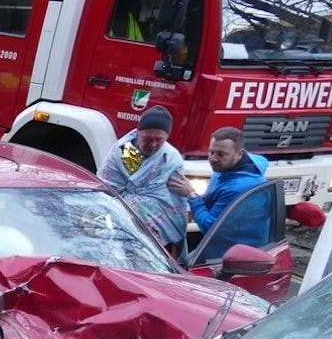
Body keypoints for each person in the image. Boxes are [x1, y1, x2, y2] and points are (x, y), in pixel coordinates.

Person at [97, 105, 190, 254]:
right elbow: (107, 187)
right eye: (147, 139)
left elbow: (171, 200)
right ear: (138, 134)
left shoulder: (171, 158)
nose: (153, 145)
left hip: (159, 218)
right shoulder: (124, 151)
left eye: (159, 140)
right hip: (117, 207)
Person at [170, 126, 272, 257]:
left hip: (234, 254)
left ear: (239, 153)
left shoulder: (237, 188)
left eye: (220, 154)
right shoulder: (227, 168)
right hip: (223, 243)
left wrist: (192, 195)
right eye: (211, 152)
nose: (213, 158)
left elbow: (210, 228)